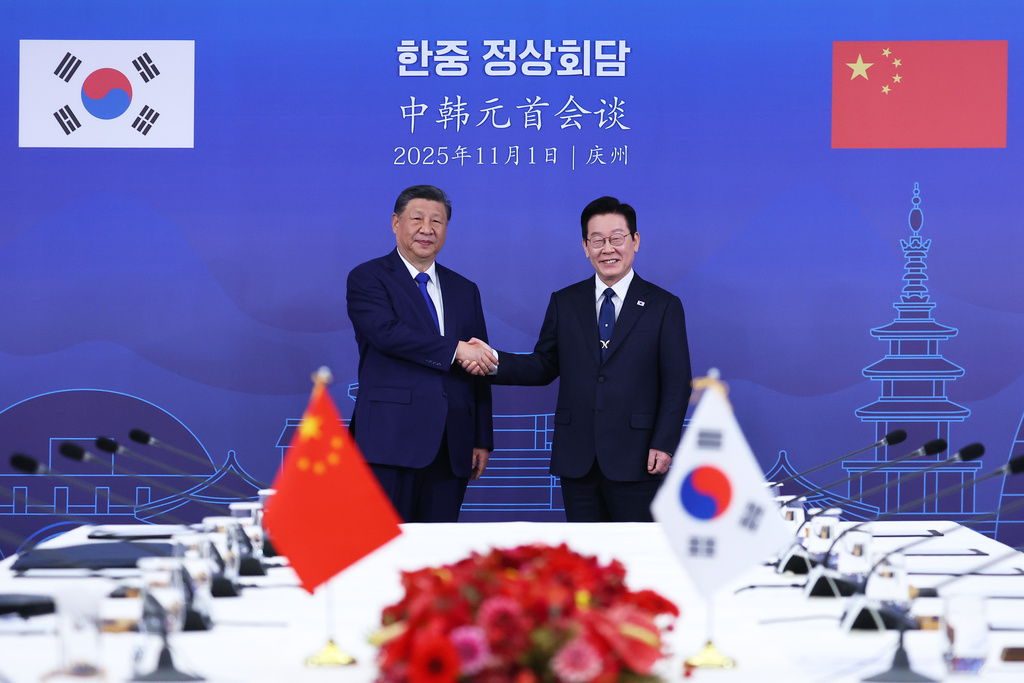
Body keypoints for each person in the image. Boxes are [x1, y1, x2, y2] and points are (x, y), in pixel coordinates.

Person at [465, 196, 691, 522]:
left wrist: (665, 444)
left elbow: (676, 382)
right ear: (586, 247)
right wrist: (491, 360)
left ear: (635, 241)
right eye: (597, 240)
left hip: (639, 456)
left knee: (637, 559)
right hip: (578, 458)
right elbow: (544, 364)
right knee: (586, 557)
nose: (607, 248)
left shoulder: (663, 305)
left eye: (617, 238)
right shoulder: (565, 302)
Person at [346, 185, 497, 522]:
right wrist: (455, 349)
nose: (427, 229)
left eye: (437, 221)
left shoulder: (464, 289)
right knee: (384, 550)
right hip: (389, 440)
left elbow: (479, 363)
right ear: (396, 222)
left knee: (438, 555)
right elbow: (387, 334)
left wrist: (481, 437)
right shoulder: (368, 278)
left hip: (451, 445)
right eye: (417, 219)